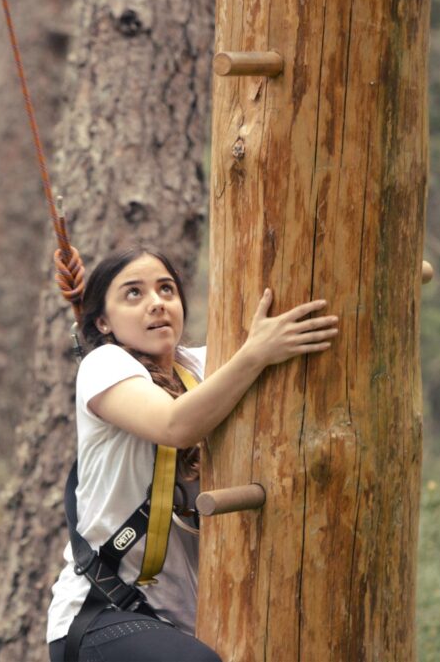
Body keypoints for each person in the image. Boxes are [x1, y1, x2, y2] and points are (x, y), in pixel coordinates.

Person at [46, 245, 339, 662]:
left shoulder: (200, 368)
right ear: (103, 322)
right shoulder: (103, 365)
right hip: (100, 616)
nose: (156, 303)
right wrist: (256, 354)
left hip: (176, 625)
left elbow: (291, 329)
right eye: (134, 293)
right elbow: (175, 425)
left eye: (166, 289)